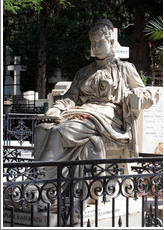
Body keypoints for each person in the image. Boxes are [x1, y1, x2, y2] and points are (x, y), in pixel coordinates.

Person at [34, 18, 153, 173]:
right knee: (43, 128)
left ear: (110, 42)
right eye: (93, 43)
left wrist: (138, 93)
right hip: (82, 112)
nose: (96, 47)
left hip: (108, 117)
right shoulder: (84, 72)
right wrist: (57, 109)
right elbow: (70, 97)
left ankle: (44, 181)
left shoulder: (124, 68)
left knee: (60, 131)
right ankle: (53, 179)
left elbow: (147, 96)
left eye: (100, 42)